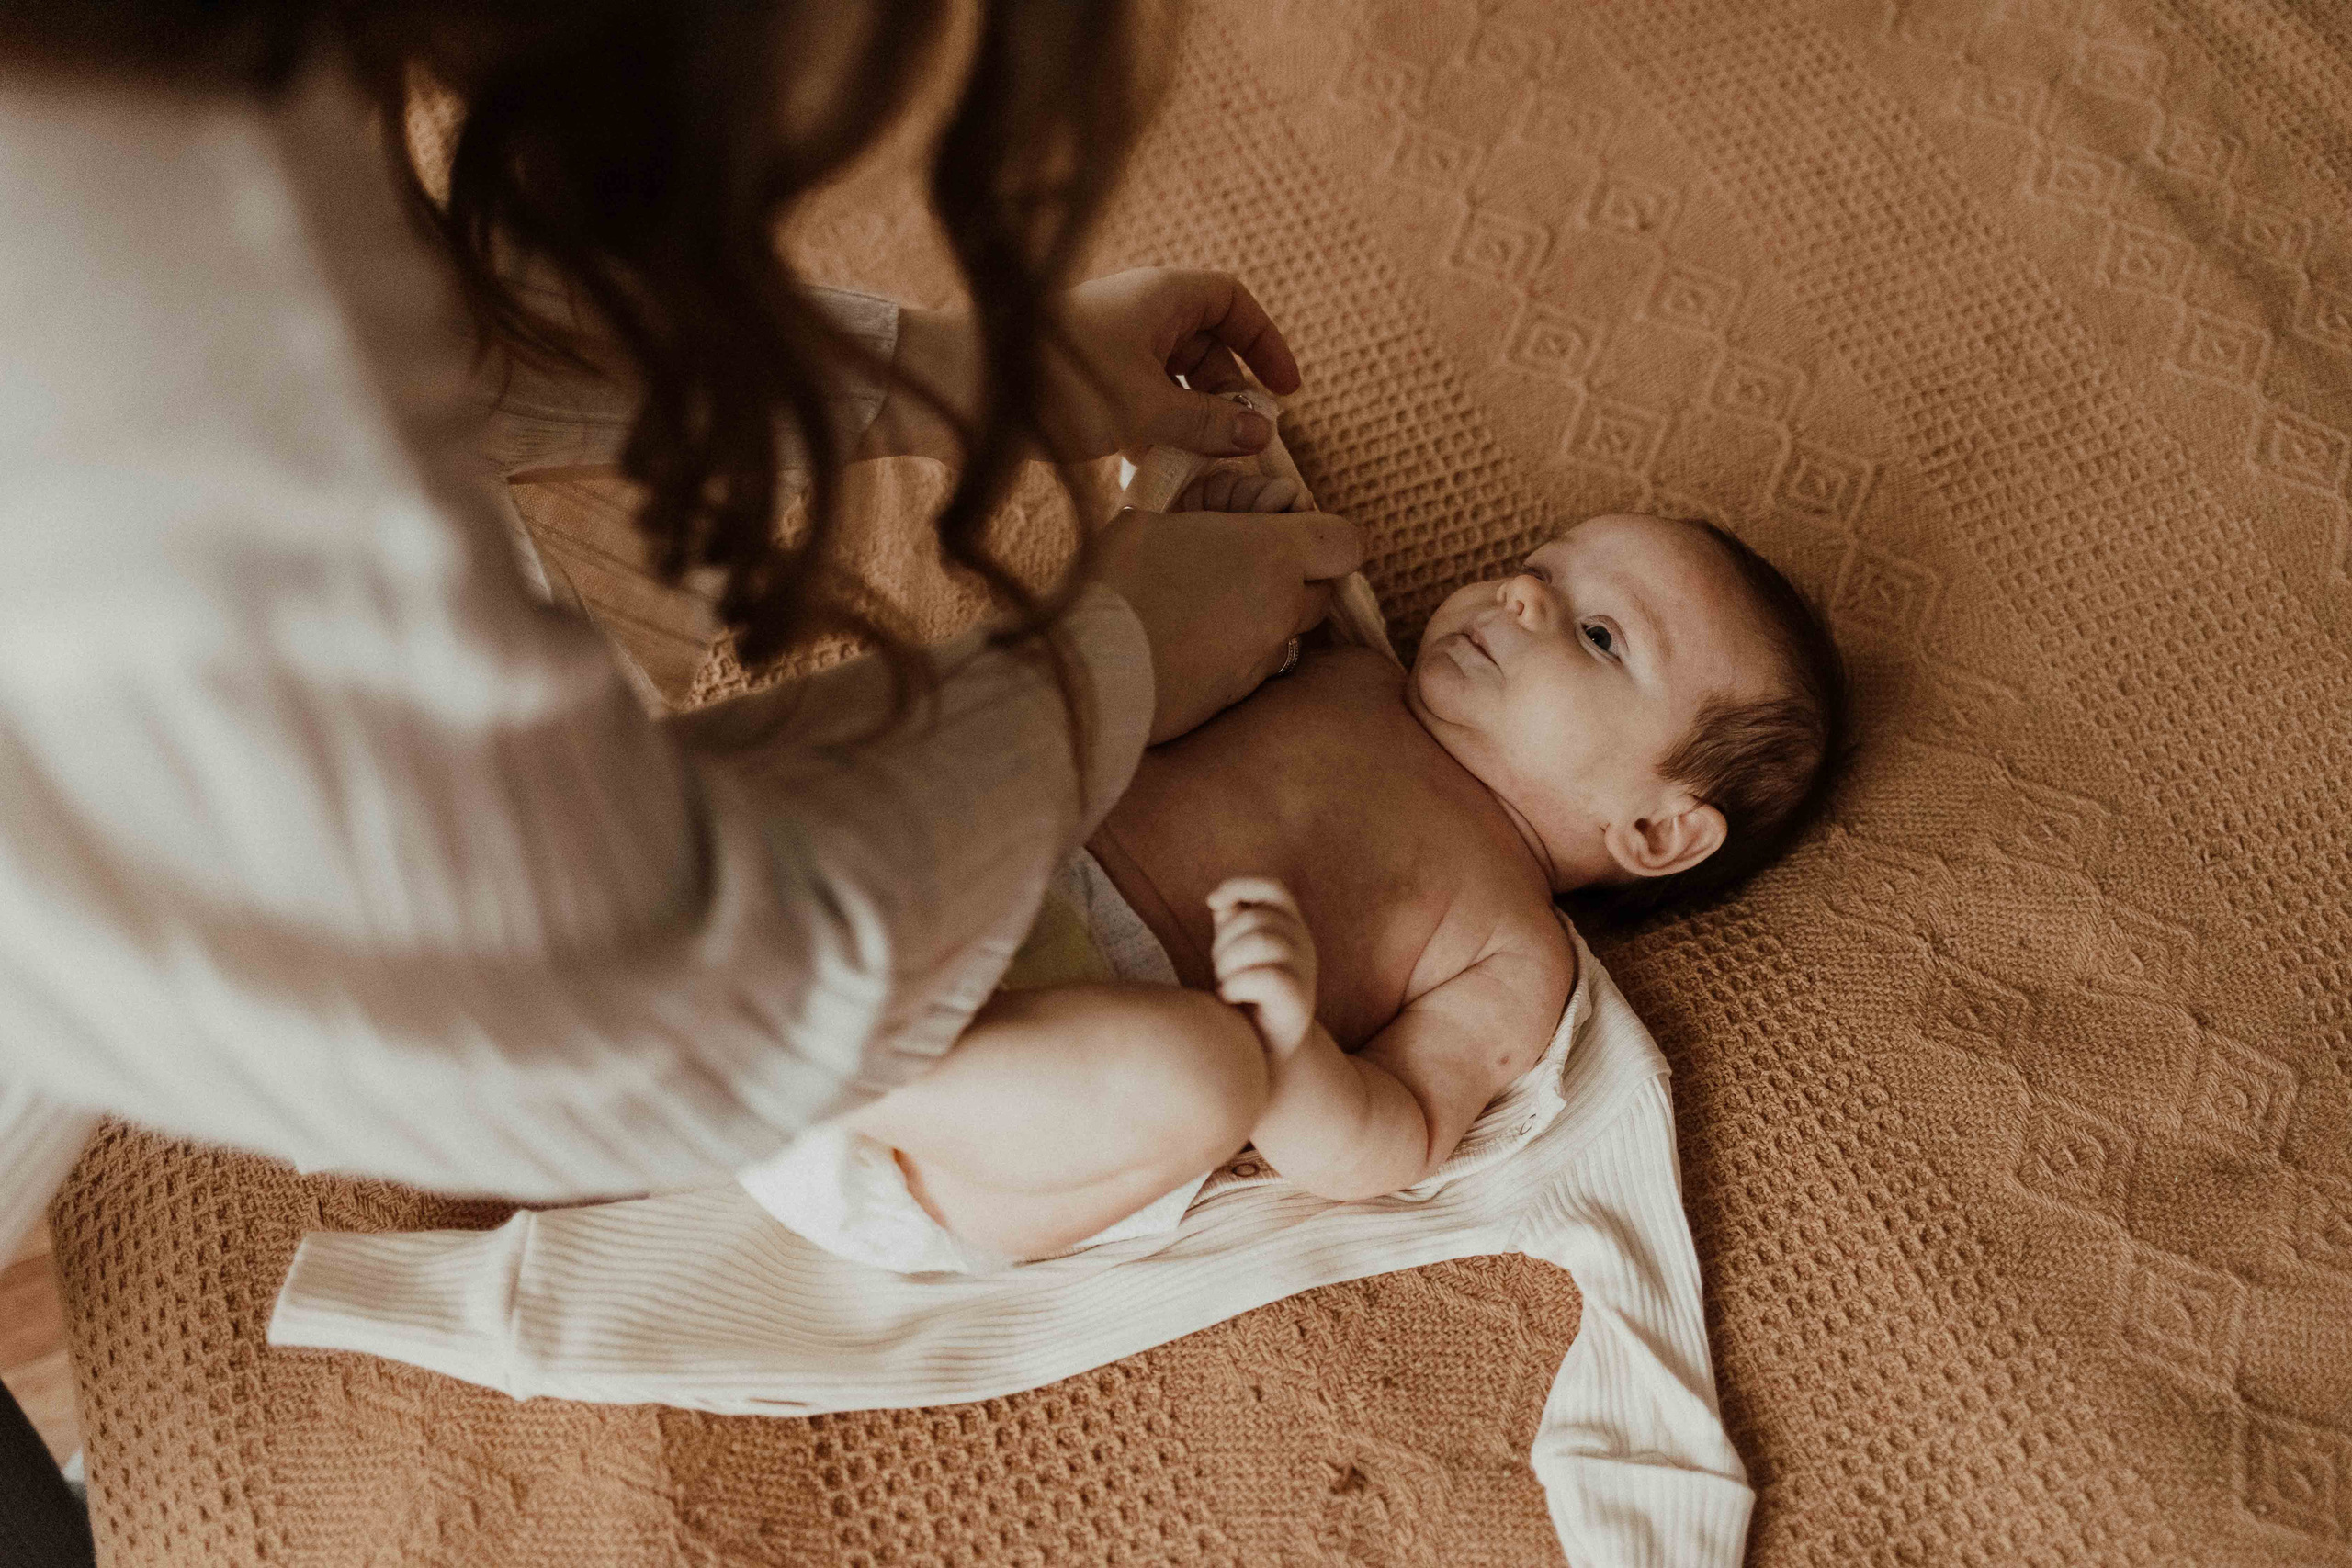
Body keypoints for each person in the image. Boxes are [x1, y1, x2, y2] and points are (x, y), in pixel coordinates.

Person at [0, 2, 1361, 1553]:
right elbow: (648, 994)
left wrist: (970, 376)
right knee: (1188, 1079)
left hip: (880, 1009)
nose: (1518, 605)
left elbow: (382, 328)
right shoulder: (137, 317)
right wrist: (1109, 656)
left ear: (1662, 830)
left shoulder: (173, 141)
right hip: (818, 1064)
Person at [750, 502, 1849, 1270]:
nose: (1519, 594)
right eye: (1542, 568)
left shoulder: (1517, 952)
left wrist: (1287, 1052)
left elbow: (1395, 1139)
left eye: (1599, 635)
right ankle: (744, 962)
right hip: (932, 892)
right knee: (948, 730)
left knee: (1198, 1074)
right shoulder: (1346, 666)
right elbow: (1166, 636)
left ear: (1657, 828)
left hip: (988, 1119)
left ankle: (812, 1052)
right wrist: (1222, 514)